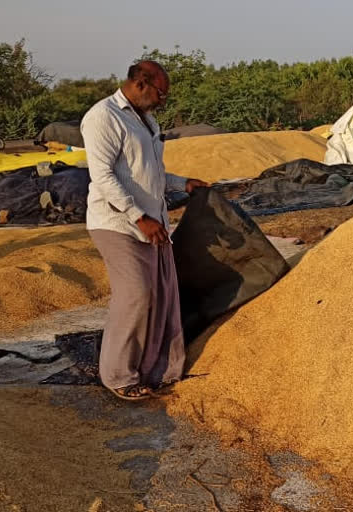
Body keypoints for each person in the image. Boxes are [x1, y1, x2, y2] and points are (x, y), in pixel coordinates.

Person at [80, 60, 209, 400]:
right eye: (160, 94)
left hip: (152, 223)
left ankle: (154, 369)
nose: (162, 101)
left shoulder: (146, 120)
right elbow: (103, 177)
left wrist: (184, 184)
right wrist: (139, 217)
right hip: (118, 223)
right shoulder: (102, 117)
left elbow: (149, 173)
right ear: (140, 83)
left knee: (160, 297)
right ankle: (118, 376)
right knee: (135, 294)